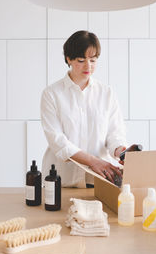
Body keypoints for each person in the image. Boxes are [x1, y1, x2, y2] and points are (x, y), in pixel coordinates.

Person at [40, 30, 127, 188]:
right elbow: (58, 141)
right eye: (81, 60)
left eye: (93, 60)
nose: (88, 66)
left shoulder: (106, 93)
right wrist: (93, 162)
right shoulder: (52, 94)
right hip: (62, 180)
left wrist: (120, 150)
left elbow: (114, 134)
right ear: (69, 59)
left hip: (99, 180)